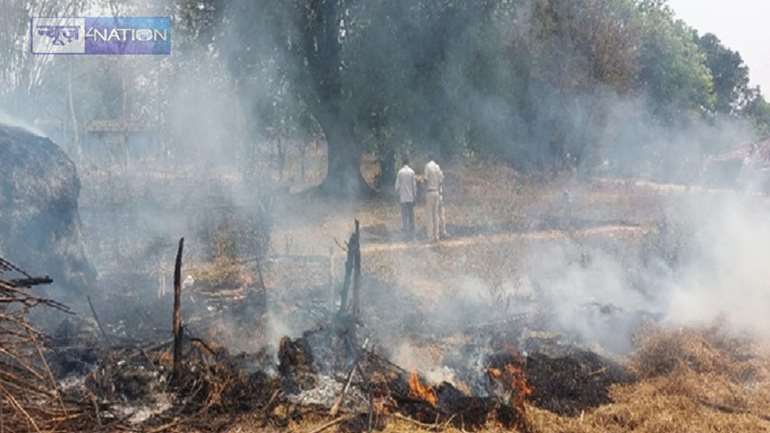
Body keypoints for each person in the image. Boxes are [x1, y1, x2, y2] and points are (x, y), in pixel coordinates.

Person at [394, 157, 416, 238]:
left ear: (402, 163)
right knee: (411, 215)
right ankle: (412, 233)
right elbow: (414, 186)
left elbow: (397, 186)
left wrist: (396, 193)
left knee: (404, 216)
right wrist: (415, 196)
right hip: (410, 198)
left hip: (403, 198)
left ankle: (405, 232)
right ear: (408, 162)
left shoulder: (400, 172)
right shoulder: (412, 172)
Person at [423, 155, 444, 242]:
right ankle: (437, 236)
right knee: (436, 215)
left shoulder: (427, 166)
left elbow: (425, 179)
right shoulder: (437, 167)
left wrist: (424, 189)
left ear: (428, 158)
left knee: (429, 216)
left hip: (430, 192)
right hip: (437, 192)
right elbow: (441, 180)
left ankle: (430, 237)